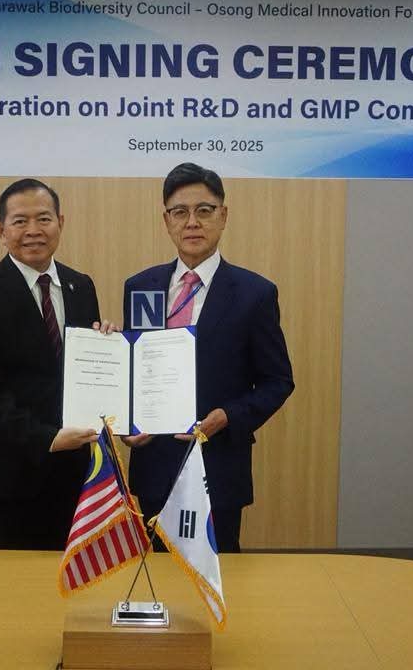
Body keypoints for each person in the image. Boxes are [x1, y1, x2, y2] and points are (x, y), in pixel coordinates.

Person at [122, 162, 294, 553]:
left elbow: (278, 381)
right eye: (180, 212)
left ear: (223, 215)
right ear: (166, 220)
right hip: (154, 468)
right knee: (157, 579)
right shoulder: (141, 286)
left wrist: (227, 416)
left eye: (204, 210)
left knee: (216, 580)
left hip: (218, 468)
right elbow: (137, 371)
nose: (192, 222)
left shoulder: (254, 294)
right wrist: (127, 423)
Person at [0, 178, 114, 550]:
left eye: (43, 218)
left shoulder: (81, 286)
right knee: (9, 585)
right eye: (20, 221)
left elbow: (85, 374)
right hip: (9, 479)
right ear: (1, 230)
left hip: (76, 476)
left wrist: (107, 345)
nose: (33, 230)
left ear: (60, 222)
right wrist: (47, 439)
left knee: (75, 580)